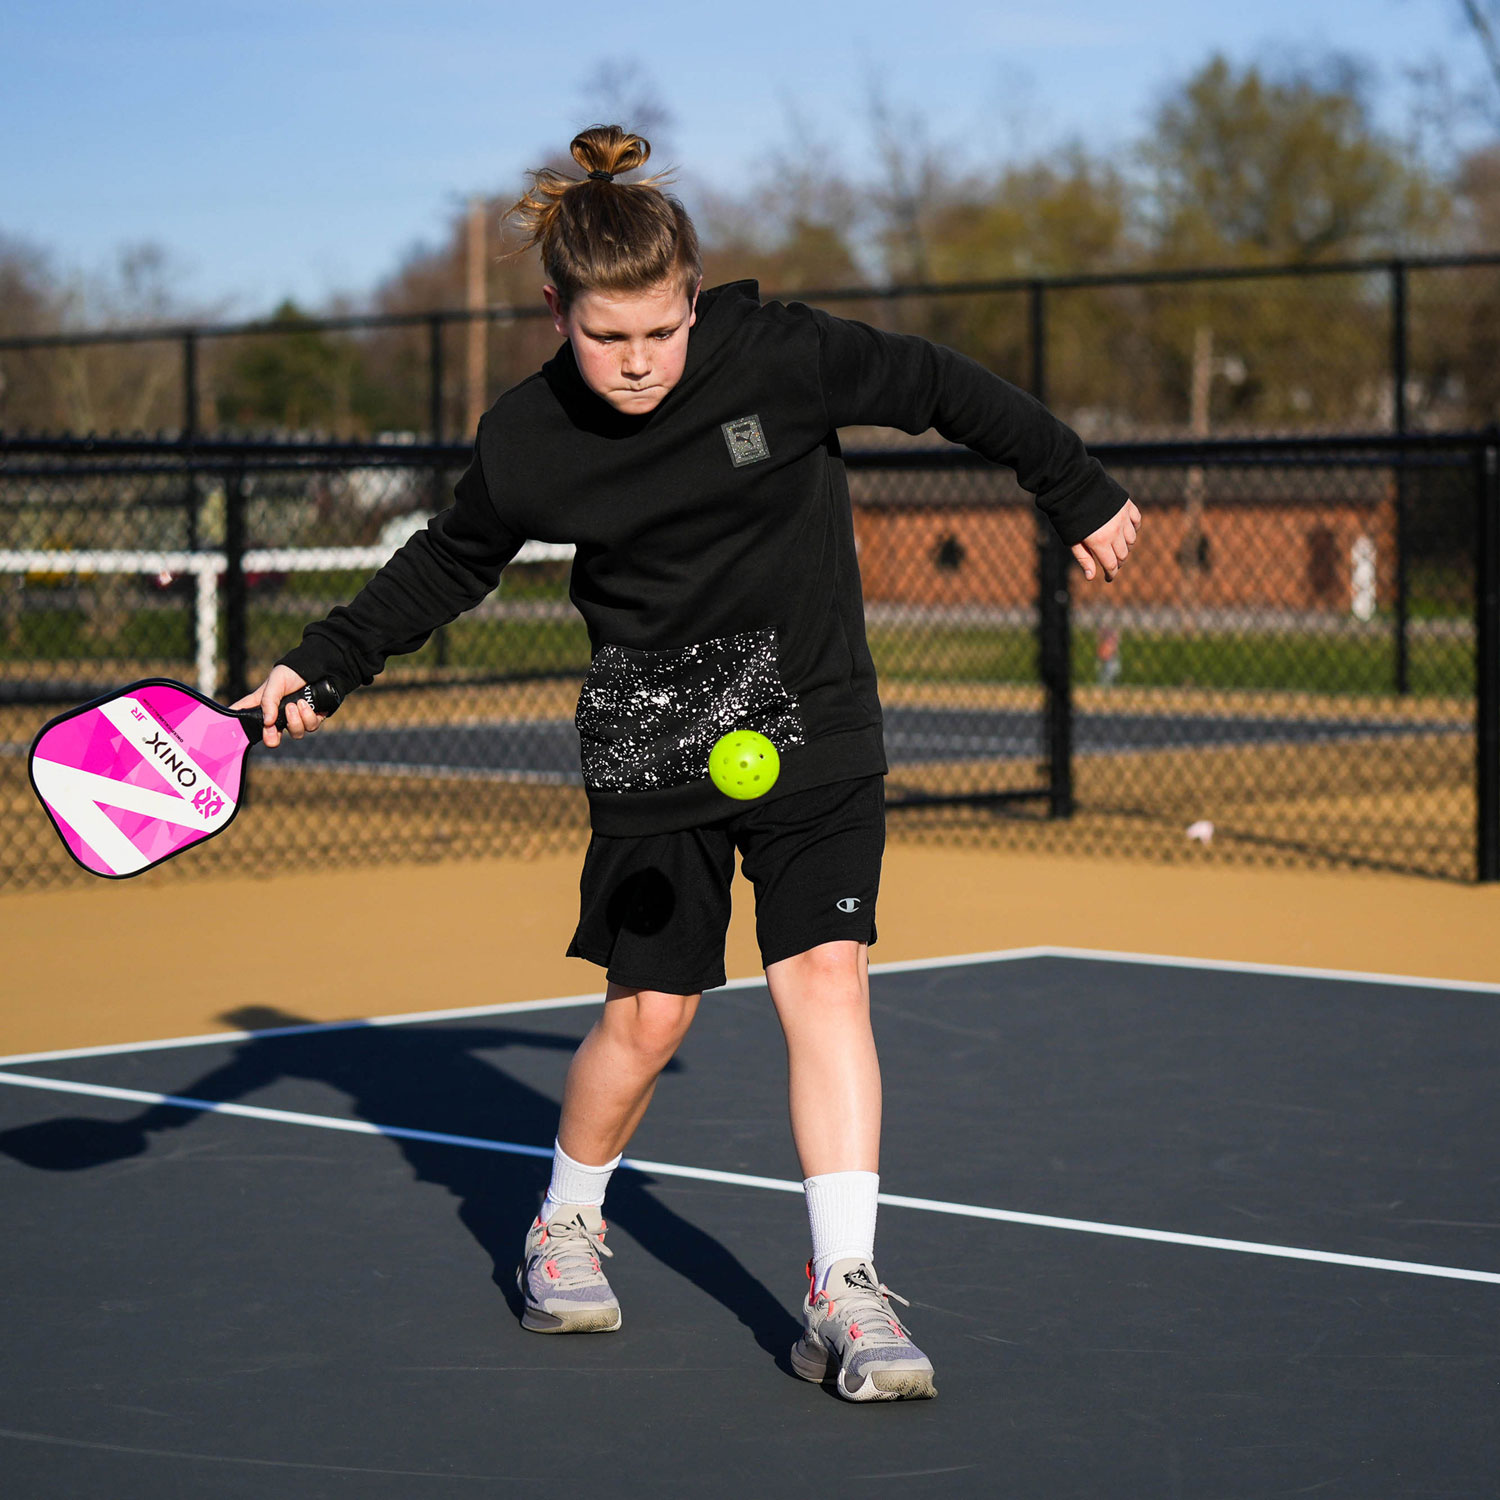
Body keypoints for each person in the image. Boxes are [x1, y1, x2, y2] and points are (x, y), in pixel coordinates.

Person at [234, 124, 1141, 1403]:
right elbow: (450, 559)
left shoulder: (785, 357)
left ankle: (848, 1290)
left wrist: (1076, 485)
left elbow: (943, 385)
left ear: (694, 298)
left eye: (661, 331)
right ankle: (564, 1219)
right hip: (654, 737)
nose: (641, 361)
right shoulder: (529, 437)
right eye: (609, 338)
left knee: (826, 977)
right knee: (650, 1018)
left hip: (810, 718)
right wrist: (322, 663)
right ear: (558, 312)